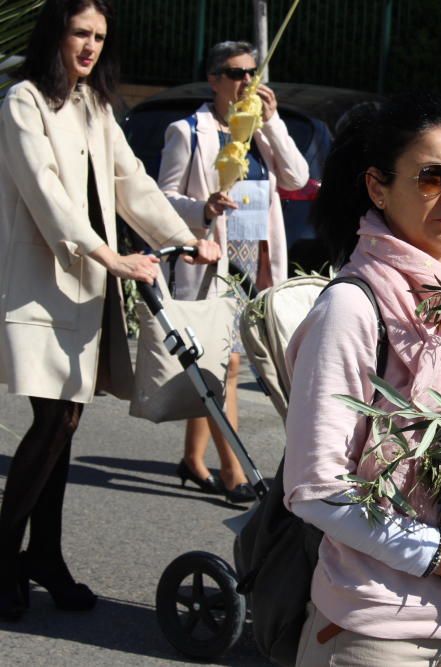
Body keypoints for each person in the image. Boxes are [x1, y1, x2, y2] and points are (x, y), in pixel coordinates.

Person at [284, 93, 441, 666]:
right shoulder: (351, 309)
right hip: (376, 629)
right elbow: (316, 488)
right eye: (431, 177)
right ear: (377, 187)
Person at [0, 0, 221, 622]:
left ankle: (42, 554)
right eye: (79, 32)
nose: (91, 45)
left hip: (89, 287)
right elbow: (42, 189)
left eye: (99, 35)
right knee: (55, 420)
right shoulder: (23, 101)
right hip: (42, 284)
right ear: (56, 34)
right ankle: (9, 556)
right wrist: (109, 255)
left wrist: (183, 235)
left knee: (64, 423)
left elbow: (132, 183)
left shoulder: (94, 105)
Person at [157, 40, 308, 504]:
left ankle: (192, 459)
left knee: (212, 364)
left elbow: (298, 177)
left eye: (252, 72)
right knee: (226, 364)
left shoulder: (259, 130)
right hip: (213, 263)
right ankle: (234, 472)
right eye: (235, 72)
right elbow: (161, 197)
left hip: (256, 266)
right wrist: (202, 206)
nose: (246, 81)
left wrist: (274, 121)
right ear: (214, 79)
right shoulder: (189, 132)